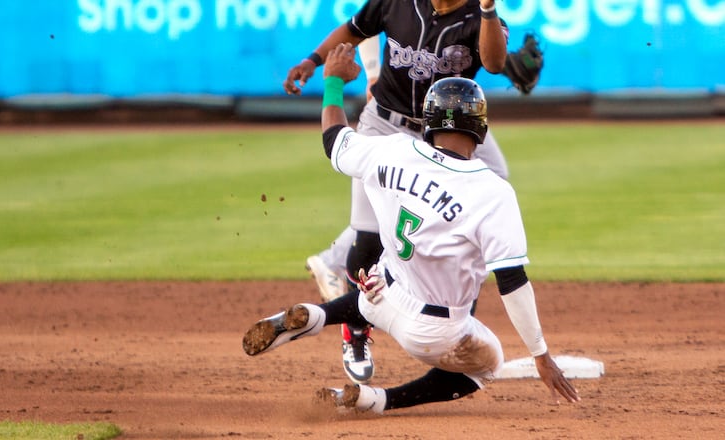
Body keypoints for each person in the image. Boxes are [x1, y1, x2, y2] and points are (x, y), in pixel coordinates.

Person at [243, 43, 579, 414]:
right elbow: (511, 280)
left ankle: (317, 314)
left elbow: (333, 140)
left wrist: (334, 82)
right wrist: (540, 354)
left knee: (380, 283)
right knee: (489, 364)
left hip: (380, 294)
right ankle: (376, 400)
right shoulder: (493, 192)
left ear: (429, 123)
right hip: (433, 333)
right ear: (481, 130)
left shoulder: (393, 149)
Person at [287, 0, 510, 385]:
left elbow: (493, 63)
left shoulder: (478, 15)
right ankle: (355, 333)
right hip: (386, 124)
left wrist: (489, 12)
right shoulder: (396, 3)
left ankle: (459, 321)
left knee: (491, 197)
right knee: (368, 237)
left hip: (447, 132)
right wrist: (312, 60)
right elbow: (353, 31)